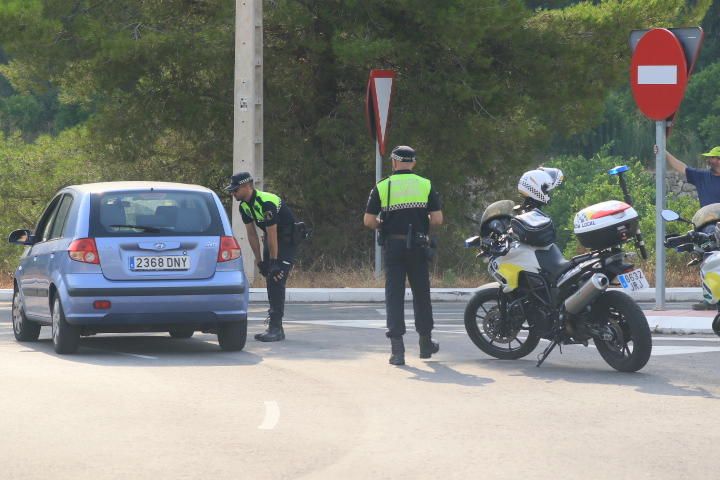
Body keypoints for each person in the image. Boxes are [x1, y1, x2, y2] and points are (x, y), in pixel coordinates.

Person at [363, 145, 444, 366]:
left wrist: (384, 225)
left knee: (394, 296)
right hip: (418, 246)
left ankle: (397, 351)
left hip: (394, 247)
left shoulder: (383, 187)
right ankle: (425, 344)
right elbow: (437, 219)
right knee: (421, 294)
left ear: (394, 162)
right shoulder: (425, 185)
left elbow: (369, 221)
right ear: (413, 163)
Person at [225, 172, 297, 341]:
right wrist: (260, 262)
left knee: (277, 278)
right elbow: (252, 235)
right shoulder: (244, 206)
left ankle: (276, 328)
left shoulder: (266, 202)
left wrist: (274, 262)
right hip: (271, 240)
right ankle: (275, 325)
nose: (233, 193)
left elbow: (272, 234)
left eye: (235, 190)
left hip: (286, 241)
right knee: (270, 278)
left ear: (247, 187)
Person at [657, 145, 720, 310]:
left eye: (712, 157)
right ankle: (710, 298)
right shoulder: (703, 177)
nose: (709, 160)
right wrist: (665, 152)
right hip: (708, 226)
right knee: (707, 256)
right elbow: (681, 167)